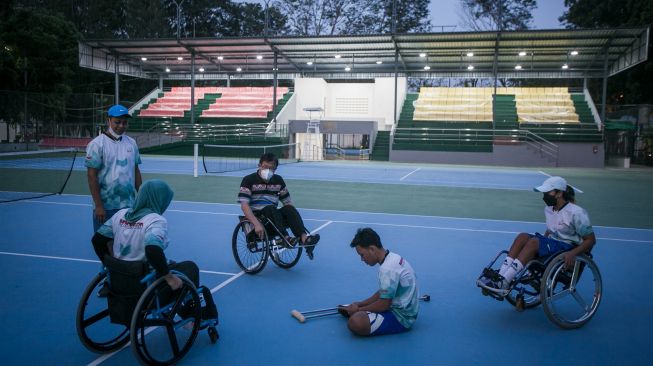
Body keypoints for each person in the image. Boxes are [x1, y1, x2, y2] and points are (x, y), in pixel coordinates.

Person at [91, 179, 217, 322]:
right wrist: (169, 277)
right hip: (144, 287)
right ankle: (188, 312)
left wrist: (112, 264)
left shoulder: (120, 215)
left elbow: (97, 240)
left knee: (170, 264)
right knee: (190, 267)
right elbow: (152, 249)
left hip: (118, 283)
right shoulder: (155, 221)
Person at [478, 176, 596, 296]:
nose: (544, 195)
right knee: (522, 237)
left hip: (568, 248)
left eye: (547, 192)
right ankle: (501, 277)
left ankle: (505, 282)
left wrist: (573, 254)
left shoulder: (576, 212)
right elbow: (551, 230)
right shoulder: (549, 209)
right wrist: (543, 240)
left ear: (559, 193)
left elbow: (591, 240)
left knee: (534, 242)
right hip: (554, 245)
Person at [238, 153, 320, 259]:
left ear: (275, 169)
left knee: (289, 208)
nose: (267, 170)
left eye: (271, 168)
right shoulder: (248, 180)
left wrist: (293, 218)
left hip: (273, 217)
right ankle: (285, 237)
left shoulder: (278, 180)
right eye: (265, 167)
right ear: (259, 165)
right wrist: (256, 223)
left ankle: (304, 239)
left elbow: (287, 202)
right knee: (270, 208)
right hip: (257, 217)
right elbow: (244, 205)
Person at [340, 228, 419, 336]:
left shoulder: (387, 269)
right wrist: (360, 303)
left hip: (401, 318)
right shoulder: (393, 257)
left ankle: (360, 313)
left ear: (372, 249)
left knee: (356, 322)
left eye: (362, 255)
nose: (362, 260)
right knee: (356, 313)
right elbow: (384, 292)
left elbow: (384, 305)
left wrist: (358, 310)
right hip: (406, 312)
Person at [86, 104, 142, 232]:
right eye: (117, 122)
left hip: (129, 206)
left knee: (125, 245)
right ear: (108, 120)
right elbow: (91, 176)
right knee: (104, 246)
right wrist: (99, 205)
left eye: (125, 122)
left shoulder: (131, 143)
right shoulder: (96, 144)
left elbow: (136, 171)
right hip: (106, 207)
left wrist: (141, 198)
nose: (121, 126)